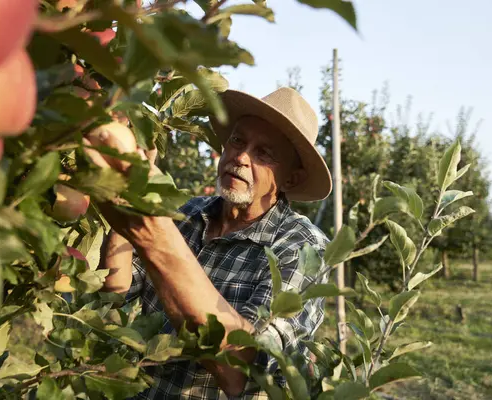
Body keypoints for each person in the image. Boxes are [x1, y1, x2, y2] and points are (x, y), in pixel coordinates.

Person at [92, 87, 333, 399]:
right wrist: (126, 198)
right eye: (237, 140)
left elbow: (241, 367)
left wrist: (156, 237)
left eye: (263, 153)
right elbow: (115, 292)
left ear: (291, 180)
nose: (241, 157)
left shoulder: (303, 247)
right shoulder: (187, 213)